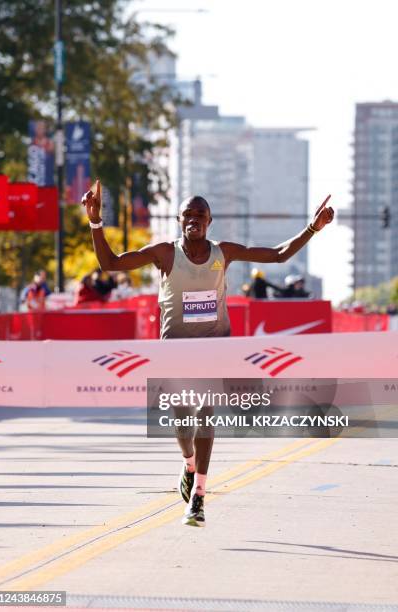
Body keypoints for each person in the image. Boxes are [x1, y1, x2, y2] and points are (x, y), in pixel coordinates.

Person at [82, 182, 334, 527]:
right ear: (178, 220)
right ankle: (188, 464)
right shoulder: (165, 253)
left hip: (216, 345)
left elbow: (277, 255)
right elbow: (110, 264)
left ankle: (198, 496)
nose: (194, 218)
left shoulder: (223, 252)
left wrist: (312, 229)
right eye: (188, 213)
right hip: (175, 349)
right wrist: (95, 222)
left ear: (210, 221)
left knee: (205, 412)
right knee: (182, 419)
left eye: (200, 214)